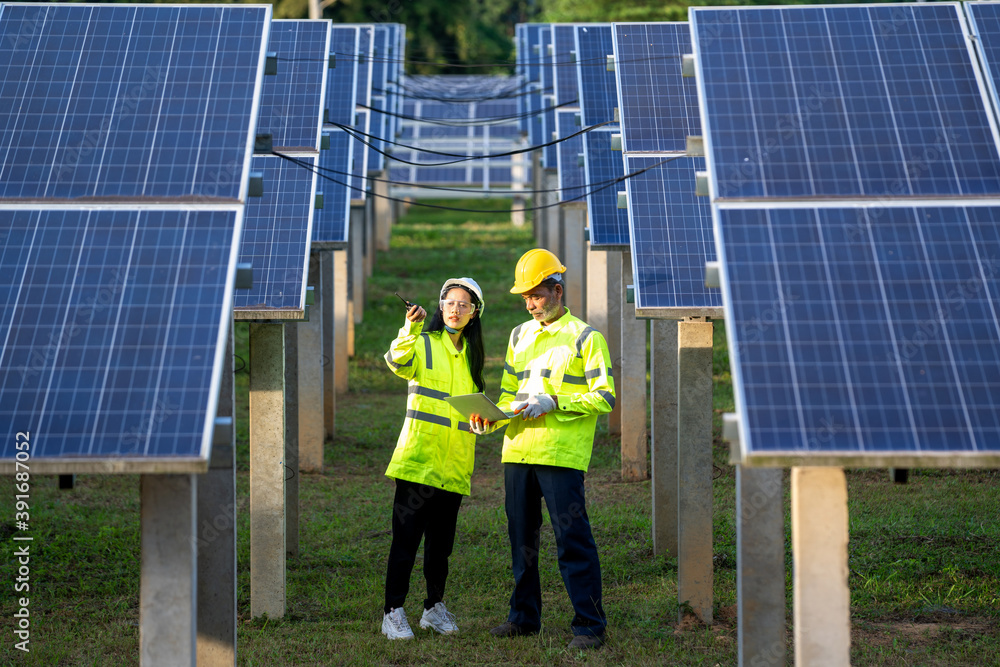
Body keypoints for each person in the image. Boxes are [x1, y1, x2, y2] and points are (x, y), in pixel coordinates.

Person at [472, 248, 615, 650]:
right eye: (526, 298)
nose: (531, 304)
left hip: (560, 456)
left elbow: (604, 398)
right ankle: (523, 618)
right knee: (522, 540)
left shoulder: (587, 338)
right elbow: (508, 391)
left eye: (537, 295)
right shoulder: (519, 335)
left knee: (572, 540)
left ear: (558, 290)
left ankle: (589, 626)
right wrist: (491, 415)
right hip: (517, 451)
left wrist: (556, 402)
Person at [380, 277, 487, 640]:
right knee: (406, 541)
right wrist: (410, 327)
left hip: (453, 466)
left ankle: (433, 608)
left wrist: (483, 423)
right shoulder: (423, 343)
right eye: (450, 303)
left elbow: (467, 413)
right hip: (419, 461)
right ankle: (392, 611)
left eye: (464, 305)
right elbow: (395, 361)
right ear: (441, 308)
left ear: (475, 314)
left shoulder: (472, 358)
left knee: (441, 547)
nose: (456, 309)